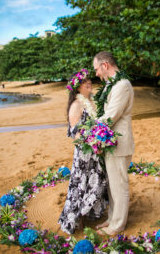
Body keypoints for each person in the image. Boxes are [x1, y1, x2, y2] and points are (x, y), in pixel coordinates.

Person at [58, 69, 107, 234]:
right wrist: (93, 144)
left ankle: (91, 213)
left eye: (89, 80)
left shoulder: (92, 101)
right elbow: (75, 134)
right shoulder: (76, 105)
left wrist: (101, 140)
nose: (88, 82)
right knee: (80, 186)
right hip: (84, 154)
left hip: (96, 152)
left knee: (97, 182)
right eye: (84, 81)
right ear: (77, 88)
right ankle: (75, 218)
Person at [93, 51, 134, 235]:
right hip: (110, 142)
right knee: (112, 185)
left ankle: (118, 225)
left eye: (96, 69)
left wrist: (89, 128)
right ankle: (111, 218)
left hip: (119, 142)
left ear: (105, 65)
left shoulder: (122, 86)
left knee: (119, 186)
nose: (96, 74)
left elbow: (111, 116)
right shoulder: (112, 85)